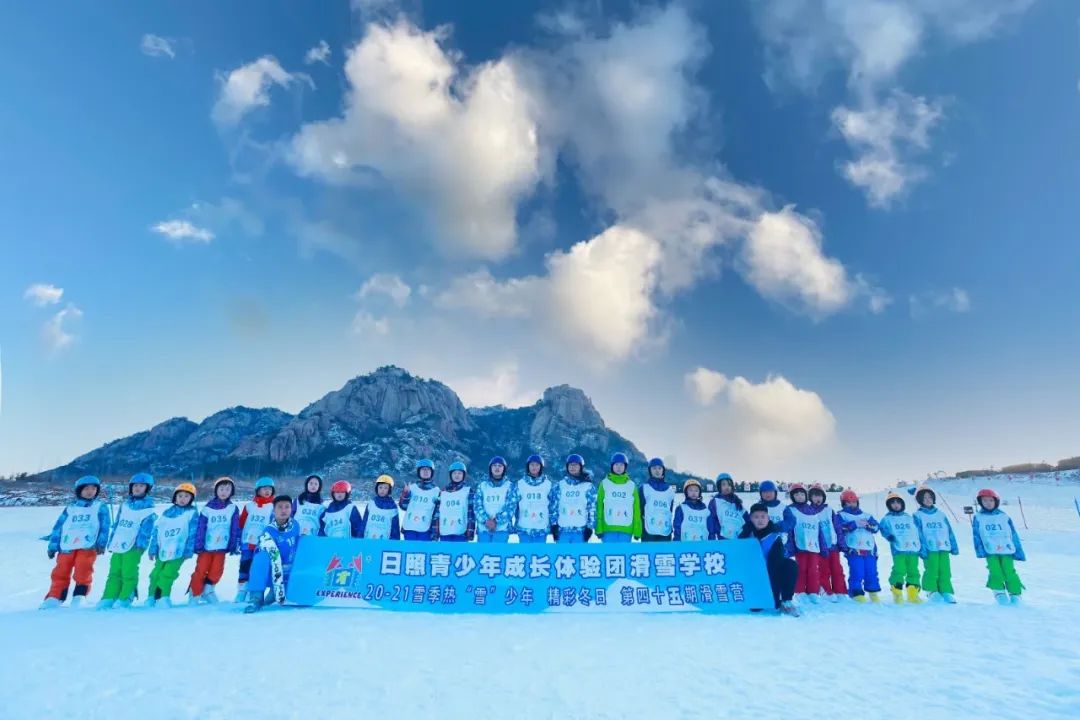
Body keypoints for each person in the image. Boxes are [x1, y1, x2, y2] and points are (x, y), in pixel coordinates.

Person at [41, 476, 112, 609]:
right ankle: (55, 596)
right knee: (60, 571)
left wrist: (101, 543)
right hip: (67, 546)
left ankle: (79, 595)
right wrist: (53, 545)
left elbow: (105, 526)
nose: (90, 491)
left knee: (83, 570)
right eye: (86, 488)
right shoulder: (70, 508)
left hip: (87, 545)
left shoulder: (100, 507)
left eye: (93, 488)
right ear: (79, 490)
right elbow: (59, 527)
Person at [98, 472, 157, 609]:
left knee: (128, 571)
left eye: (141, 486)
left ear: (147, 489)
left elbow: (146, 530)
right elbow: (118, 523)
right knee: (114, 571)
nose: (137, 488)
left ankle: (126, 596)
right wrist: (112, 541)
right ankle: (109, 597)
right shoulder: (124, 505)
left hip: (134, 545)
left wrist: (140, 545)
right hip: (119, 543)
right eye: (135, 485)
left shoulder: (149, 509)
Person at [145, 483, 200, 608]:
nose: (182, 499)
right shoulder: (166, 513)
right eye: (180, 496)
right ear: (175, 497)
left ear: (191, 499)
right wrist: (153, 548)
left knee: (168, 574)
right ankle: (151, 596)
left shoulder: (191, 513)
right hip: (163, 549)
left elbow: (192, 534)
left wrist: (188, 550)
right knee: (155, 574)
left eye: (186, 496)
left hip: (178, 550)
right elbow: (157, 531)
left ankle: (163, 597)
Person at [740, 503, 800, 616]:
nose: (760, 520)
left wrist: (774, 595)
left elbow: (775, 567)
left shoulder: (774, 537)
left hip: (771, 574)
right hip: (754, 575)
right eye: (756, 517)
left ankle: (786, 600)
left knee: (790, 565)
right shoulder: (746, 535)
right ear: (751, 519)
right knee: (755, 608)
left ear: (768, 518)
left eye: (763, 517)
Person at [244, 495, 301, 614]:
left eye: (287, 507)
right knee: (261, 556)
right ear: (274, 510)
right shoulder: (268, 531)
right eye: (280, 507)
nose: (284, 510)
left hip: (289, 571)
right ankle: (256, 597)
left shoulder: (295, 525)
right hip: (272, 571)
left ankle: (274, 593)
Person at [189, 476, 240, 604]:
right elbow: (201, 527)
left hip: (221, 547)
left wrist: (233, 544)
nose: (224, 492)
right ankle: (194, 593)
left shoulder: (232, 508)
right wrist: (199, 544)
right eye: (221, 489)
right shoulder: (207, 508)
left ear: (231, 492)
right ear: (216, 490)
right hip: (206, 546)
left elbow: (235, 527)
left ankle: (208, 590)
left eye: (227, 489)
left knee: (217, 570)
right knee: (201, 570)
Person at [971, 488, 1026, 605]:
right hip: (990, 550)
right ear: (980, 502)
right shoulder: (978, 517)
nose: (988, 503)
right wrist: (979, 550)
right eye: (985, 501)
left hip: (1006, 550)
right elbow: (976, 534)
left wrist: (1018, 550)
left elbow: (1013, 534)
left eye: (990, 500)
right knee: (995, 571)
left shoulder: (1004, 516)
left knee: (1009, 571)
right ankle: (999, 592)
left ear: (996, 501)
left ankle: (1015, 593)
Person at [912, 486, 959, 604]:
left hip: (943, 546)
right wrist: (922, 548)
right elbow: (918, 533)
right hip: (930, 547)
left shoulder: (941, 514)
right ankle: (931, 590)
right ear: (920, 500)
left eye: (930, 497)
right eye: (924, 498)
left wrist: (953, 545)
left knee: (945, 570)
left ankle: (945, 590)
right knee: (932, 569)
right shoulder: (918, 515)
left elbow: (948, 530)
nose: (928, 499)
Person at [783, 483, 828, 603]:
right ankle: (800, 591)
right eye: (796, 494)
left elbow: (819, 531)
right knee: (801, 569)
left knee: (813, 569)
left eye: (801, 493)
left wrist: (823, 547)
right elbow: (789, 530)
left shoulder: (812, 510)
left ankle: (813, 591)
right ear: (792, 497)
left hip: (813, 546)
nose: (799, 496)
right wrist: (789, 547)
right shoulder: (790, 509)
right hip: (800, 545)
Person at [834, 489, 881, 603]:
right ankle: (856, 592)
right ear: (844, 503)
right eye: (848, 502)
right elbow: (839, 528)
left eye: (854, 502)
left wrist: (869, 525)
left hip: (869, 548)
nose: (851, 504)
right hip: (854, 549)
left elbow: (876, 527)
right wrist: (854, 524)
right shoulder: (841, 515)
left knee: (871, 571)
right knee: (857, 571)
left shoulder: (866, 515)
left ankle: (873, 591)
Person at [236, 476, 276, 602]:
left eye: (270, 489)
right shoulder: (249, 506)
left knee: (258, 567)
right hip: (247, 542)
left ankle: (254, 591)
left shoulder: (273, 507)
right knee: (244, 566)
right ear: (258, 490)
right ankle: (242, 590)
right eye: (264, 488)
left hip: (262, 544)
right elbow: (241, 523)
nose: (267, 491)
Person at [878, 491, 923, 604]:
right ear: (889, 506)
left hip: (912, 549)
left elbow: (917, 530)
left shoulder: (909, 517)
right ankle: (897, 590)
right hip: (899, 549)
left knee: (913, 570)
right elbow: (883, 528)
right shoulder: (887, 519)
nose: (896, 504)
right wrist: (889, 536)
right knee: (899, 569)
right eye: (892, 503)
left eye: (898, 502)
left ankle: (913, 591)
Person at [810, 484, 847, 602]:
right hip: (820, 548)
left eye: (819, 495)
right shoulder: (809, 512)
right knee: (823, 569)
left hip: (833, 545)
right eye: (815, 496)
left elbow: (837, 527)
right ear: (810, 498)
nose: (817, 498)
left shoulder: (829, 510)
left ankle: (840, 591)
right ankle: (826, 590)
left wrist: (841, 543)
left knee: (837, 569)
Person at [595, 452, 641, 543]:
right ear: (612, 466)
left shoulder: (631, 485)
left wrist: (637, 529)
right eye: (616, 464)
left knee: (623, 556)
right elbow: (599, 506)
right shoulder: (604, 483)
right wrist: (598, 527)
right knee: (609, 555)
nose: (619, 467)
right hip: (608, 528)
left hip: (626, 529)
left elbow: (636, 509)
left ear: (625, 467)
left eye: (621, 465)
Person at [553, 454, 596, 544]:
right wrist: (554, 525)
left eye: (576, 465)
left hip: (580, 531)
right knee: (563, 557)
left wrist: (590, 527)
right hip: (563, 531)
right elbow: (554, 506)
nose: (573, 467)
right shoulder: (560, 485)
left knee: (578, 556)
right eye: (570, 465)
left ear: (581, 467)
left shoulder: (588, 486)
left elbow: (592, 508)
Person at [474, 456, 518, 543]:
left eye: (500, 466)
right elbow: (477, 506)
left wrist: (496, 521)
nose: (497, 468)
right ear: (490, 468)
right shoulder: (482, 486)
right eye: (494, 465)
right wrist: (486, 520)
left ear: (504, 469)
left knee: (498, 555)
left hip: (502, 529)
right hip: (484, 529)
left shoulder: (510, 486)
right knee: (483, 554)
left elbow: (510, 507)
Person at [516, 454, 556, 543]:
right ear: (528, 466)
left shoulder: (548, 484)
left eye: (537, 465)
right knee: (524, 554)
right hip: (524, 527)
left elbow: (553, 506)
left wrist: (553, 524)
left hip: (541, 527)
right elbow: (515, 506)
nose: (534, 467)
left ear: (541, 467)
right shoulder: (520, 484)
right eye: (532, 465)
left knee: (539, 554)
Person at [400, 459, 441, 541]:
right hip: (410, 527)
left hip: (425, 530)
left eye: (428, 469)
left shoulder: (436, 491)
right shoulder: (412, 487)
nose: (425, 472)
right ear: (419, 472)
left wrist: (435, 533)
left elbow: (437, 514)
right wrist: (406, 494)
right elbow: (403, 506)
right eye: (423, 469)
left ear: (431, 472)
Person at [437, 462, 475, 542]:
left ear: (463, 475)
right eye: (454, 473)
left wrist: (470, 530)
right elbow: (438, 513)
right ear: (451, 475)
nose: (457, 475)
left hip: (461, 531)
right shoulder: (443, 492)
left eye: (459, 473)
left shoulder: (468, 491)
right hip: (445, 530)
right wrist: (435, 531)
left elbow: (471, 513)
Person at [640, 458, 675, 542]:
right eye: (654, 468)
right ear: (650, 470)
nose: (657, 471)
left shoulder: (670, 490)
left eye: (659, 468)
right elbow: (640, 509)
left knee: (664, 554)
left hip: (664, 530)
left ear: (663, 470)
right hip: (648, 530)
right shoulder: (644, 488)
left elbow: (670, 510)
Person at [362, 475, 402, 540]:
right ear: (377, 488)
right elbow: (364, 523)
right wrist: (359, 538)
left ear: (389, 490)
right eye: (380, 487)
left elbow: (395, 528)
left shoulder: (392, 507)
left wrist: (394, 544)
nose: (382, 490)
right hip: (368, 540)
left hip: (384, 542)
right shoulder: (371, 504)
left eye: (385, 488)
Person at [708, 473, 745, 540]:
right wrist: (712, 536)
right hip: (723, 539)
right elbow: (711, 520)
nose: (727, 487)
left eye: (729, 484)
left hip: (739, 539)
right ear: (719, 487)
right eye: (724, 484)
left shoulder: (737, 501)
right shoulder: (715, 502)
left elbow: (746, 518)